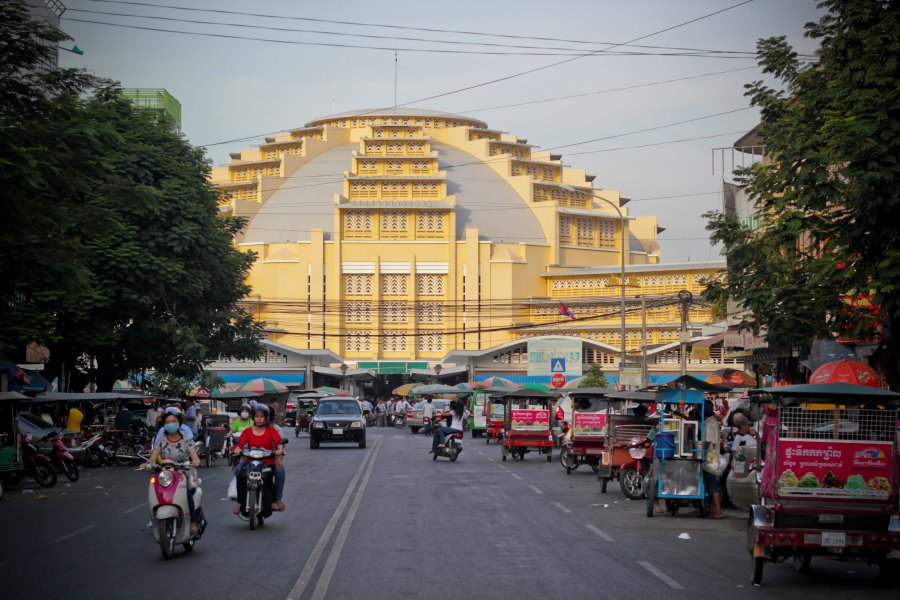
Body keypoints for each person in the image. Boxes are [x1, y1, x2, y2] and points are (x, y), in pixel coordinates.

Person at [147, 408, 202, 534]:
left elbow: (194, 455)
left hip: (184, 472)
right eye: (167, 422)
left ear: (179, 423)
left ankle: (193, 521)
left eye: (173, 421)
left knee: (188, 494)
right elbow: (154, 456)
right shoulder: (161, 440)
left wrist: (195, 460)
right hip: (165, 474)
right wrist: (148, 464)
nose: (170, 424)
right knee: (155, 490)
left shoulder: (186, 440)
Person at [232, 404, 286, 513]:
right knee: (239, 472)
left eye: (262, 417)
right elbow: (240, 443)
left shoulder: (271, 430)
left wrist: (280, 449)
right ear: (253, 418)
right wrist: (237, 449)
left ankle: (276, 500)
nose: (259, 419)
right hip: (250, 460)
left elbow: (279, 442)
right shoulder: (247, 431)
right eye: (257, 417)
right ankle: (240, 501)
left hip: (268, 461)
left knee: (277, 473)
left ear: (266, 417)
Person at [703, 399, 723, 518]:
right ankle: (712, 510)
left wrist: (711, 458)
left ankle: (718, 511)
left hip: (711, 458)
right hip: (712, 457)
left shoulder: (710, 423)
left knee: (712, 484)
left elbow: (712, 443)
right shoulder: (710, 421)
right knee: (710, 484)